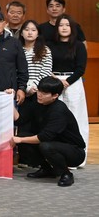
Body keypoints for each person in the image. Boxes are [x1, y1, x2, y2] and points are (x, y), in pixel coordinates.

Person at [11, 77, 86, 187]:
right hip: (51, 143)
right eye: (39, 91)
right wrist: (9, 100)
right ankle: (47, 169)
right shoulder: (37, 104)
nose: (39, 95)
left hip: (74, 151)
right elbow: (20, 120)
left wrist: (20, 140)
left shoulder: (59, 109)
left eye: (44, 93)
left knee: (44, 145)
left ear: (55, 95)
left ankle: (66, 174)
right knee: (23, 137)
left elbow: (44, 136)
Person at [47, 14, 89, 162]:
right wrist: (56, 80)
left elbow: (81, 68)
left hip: (73, 82)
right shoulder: (49, 45)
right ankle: (56, 155)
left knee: (76, 117)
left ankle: (78, 156)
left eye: (67, 25)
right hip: (54, 81)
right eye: (61, 25)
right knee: (55, 117)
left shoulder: (78, 45)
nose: (64, 28)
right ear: (56, 28)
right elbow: (46, 64)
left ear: (72, 28)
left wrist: (67, 82)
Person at [20, 20, 52, 98]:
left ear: (38, 34)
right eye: (26, 30)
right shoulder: (17, 50)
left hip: (39, 90)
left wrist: (34, 86)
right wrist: (26, 88)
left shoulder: (45, 50)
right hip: (20, 90)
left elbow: (46, 71)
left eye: (33, 30)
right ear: (21, 33)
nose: (30, 33)